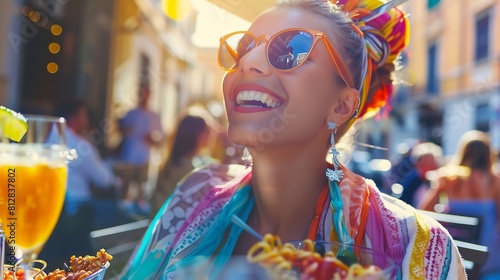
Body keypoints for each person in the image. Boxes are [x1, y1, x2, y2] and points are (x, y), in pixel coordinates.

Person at [120, 0, 466, 279]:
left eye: (292, 49)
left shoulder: (414, 248)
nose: (249, 62)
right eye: (245, 47)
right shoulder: (196, 192)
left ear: (341, 105)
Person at [419, 130, 500, 277]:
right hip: (488, 259)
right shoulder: (495, 180)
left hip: (454, 253)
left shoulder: (449, 177)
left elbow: (424, 211)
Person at [151, 111, 220, 216]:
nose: (212, 133)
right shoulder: (187, 170)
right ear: (195, 134)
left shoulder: (178, 161)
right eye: (207, 130)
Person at [116, 85, 165, 212]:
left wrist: (152, 140)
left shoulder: (154, 116)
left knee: (141, 189)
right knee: (126, 188)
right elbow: (120, 130)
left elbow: (161, 140)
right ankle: (124, 212)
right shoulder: (131, 114)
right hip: (129, 157)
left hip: (144, 158)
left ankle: (137, 214)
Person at [397, 142, 442, 207]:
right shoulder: (412, 182)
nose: (433, 166)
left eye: (434, 162)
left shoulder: (437, 181)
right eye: (429, 163)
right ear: (419, 164)